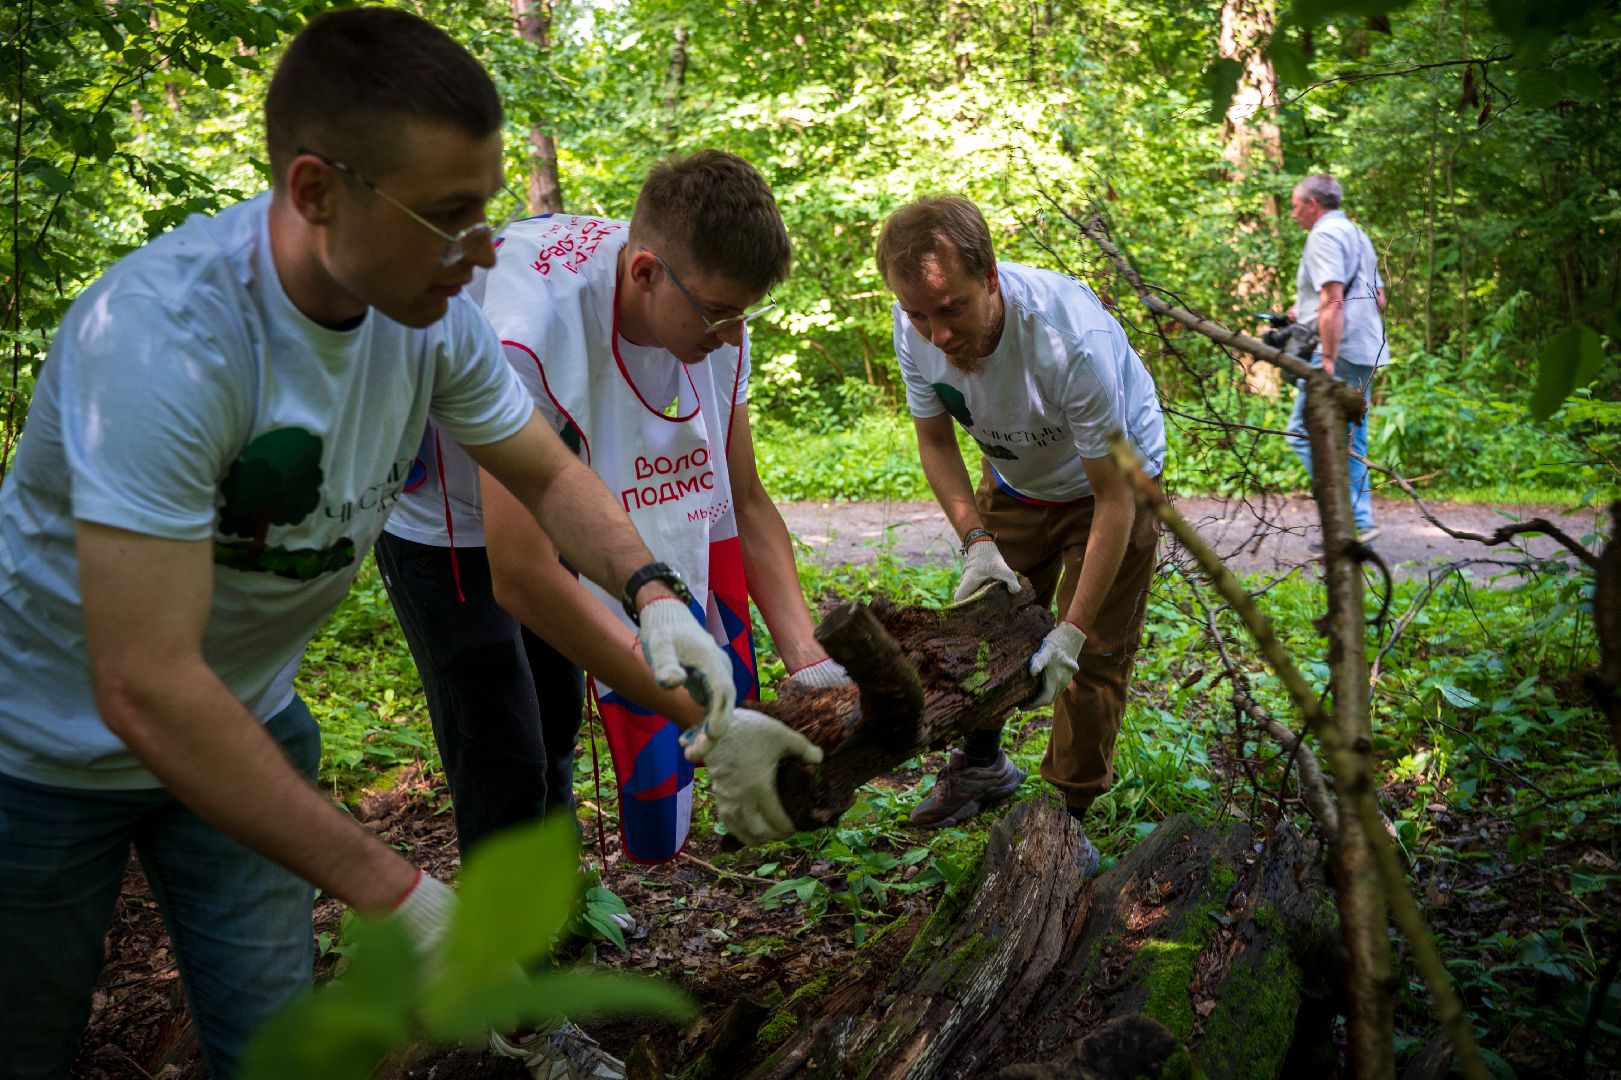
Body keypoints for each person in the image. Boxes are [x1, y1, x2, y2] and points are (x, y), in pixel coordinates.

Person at [0, 10, 747, 1078]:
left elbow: (544, 471)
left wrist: (660, 603)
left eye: (484, 208)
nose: (486, 249)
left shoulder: (429, 311)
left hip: (247, 729)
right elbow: (146, 685)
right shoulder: (164, 343)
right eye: (449, 215)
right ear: (316, 191)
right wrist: (394, 888)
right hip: (37, 758)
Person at [381, 150, 845, 879]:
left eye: (741, 315)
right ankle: (504, 972)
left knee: (556, 722)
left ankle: (556, 907)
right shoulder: (529, 334)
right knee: (503, 746)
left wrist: (810, 663)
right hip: (450, 525)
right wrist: (716, 728)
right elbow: (525, 577)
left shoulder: (713, 314)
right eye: (717, 314)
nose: (728, 336)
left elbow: (742, 498)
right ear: (643, 273)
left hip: (569, 509)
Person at [873, 196, 1165, 878]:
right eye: (919, 313)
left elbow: (1112, 499)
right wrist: (976, 541)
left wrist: (1067, 631)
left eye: (952, 310)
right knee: (985, 625)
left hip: (1115, 485)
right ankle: (981, 769)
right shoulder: (912, 322)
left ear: (992, 278)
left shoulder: (1069, 341)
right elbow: (934, 441)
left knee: (1091, 657)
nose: (935, 333)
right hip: (1014, 480)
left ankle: (1067, 819)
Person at [1284, 173, 1389, 543]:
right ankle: (1359, 523)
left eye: (1296, 207)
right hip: (1367, 346)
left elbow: (1333, 299)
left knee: (1301, 432)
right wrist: (1306, 312)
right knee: (1352, 438)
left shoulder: (1324, 235)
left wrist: (1326, 359)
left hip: (1338, 349)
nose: (1294, 214)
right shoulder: (1357, 234)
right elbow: (1378, 298)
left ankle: (1341, 515)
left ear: (1313, 205)